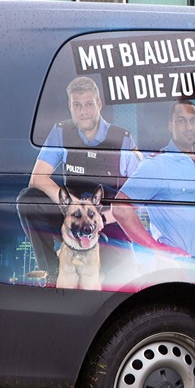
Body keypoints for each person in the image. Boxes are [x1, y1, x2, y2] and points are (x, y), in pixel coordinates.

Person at [16, 76, 140, 281]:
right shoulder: (61, 132)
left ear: (99, 104)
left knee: (118, 280)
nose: (83, 112)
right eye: (77, 105)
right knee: (28, 199)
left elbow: (138, 195)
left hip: (107, 224)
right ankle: (53, 274)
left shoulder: (122, 138)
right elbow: (37, 178)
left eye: (89, 104)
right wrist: (72, 207)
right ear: (70, 106)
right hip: (71, 219)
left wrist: (103, 218)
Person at [113, 100, 195, 259]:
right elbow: (120, 207)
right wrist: (154, 246)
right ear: (171, 126)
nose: (189, 127)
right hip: (175, 268)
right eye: (181, 121)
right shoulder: (157, 165)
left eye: (193, 121)